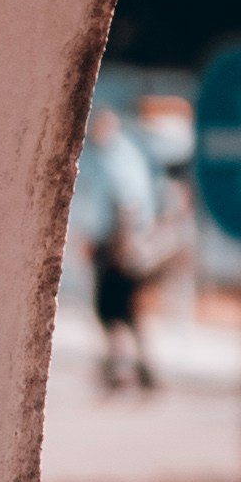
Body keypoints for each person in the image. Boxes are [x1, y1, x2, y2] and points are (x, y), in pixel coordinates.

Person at [75, 97, 168, 387]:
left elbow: (128, 205)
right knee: (117, 312)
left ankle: (133, 369)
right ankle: (127, 368)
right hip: (112, 244)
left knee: (119, 309)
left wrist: (122, 246)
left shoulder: (118, 157)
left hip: (119, 247)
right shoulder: (105, 156)